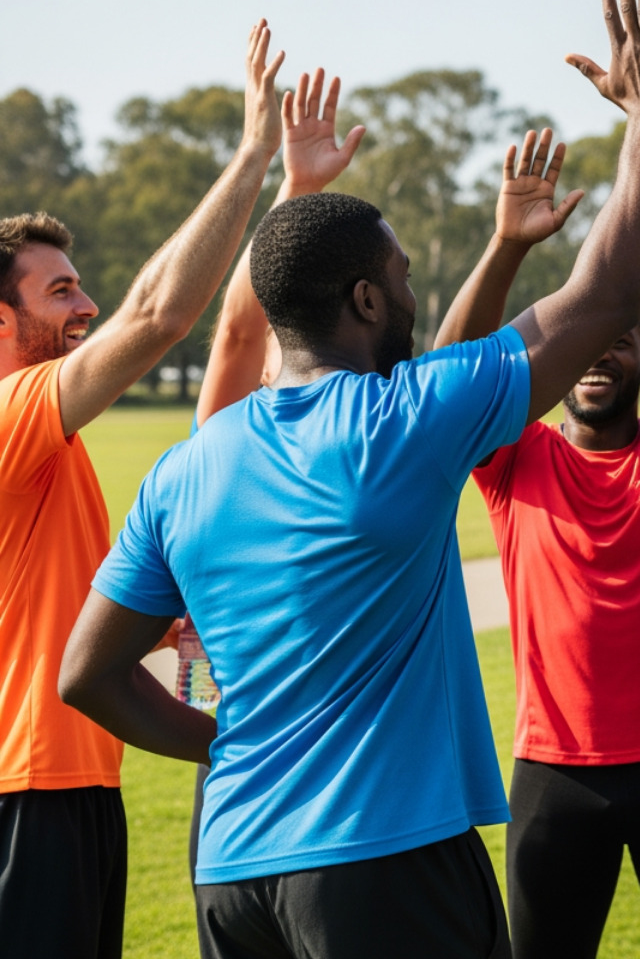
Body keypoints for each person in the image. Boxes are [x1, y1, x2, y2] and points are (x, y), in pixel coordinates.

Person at [59, 0, 640, 959]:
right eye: (401, 278)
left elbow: (87, 674)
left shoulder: (186, 468)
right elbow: (604, 299)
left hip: (231, 873)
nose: (411, 298)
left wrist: (226, 744)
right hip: (383, 863)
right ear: (363, 300)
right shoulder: (401, 420)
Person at [432, 77, 640, 959]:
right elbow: (448, 375)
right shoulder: (513, 459)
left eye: (618, 340)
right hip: (555, 777)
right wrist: (506, 247)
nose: (598, 356)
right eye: (583, 342)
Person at [0, 20, 286, 959]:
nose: (87, 306)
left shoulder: (45, 445)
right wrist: (253, 156)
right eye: (59, 292)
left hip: (73, 781)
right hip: (27, 790)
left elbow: (61, 605)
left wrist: (165, 629)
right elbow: (159, 316)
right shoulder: (10, 416)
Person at [177, 65, 368, 882]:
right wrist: (293, 191)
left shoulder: (351, 440)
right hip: (269, 769)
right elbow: (234, 335)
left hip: (307, 777)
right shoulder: (228, 446)